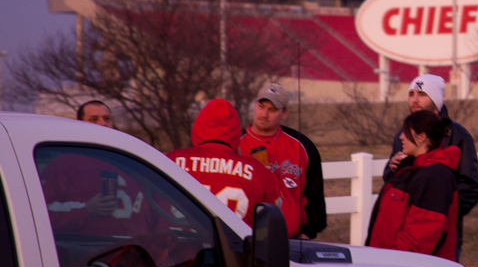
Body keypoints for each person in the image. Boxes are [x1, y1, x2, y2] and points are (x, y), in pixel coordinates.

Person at [382, 74, 478, 261]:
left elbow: (471, 186)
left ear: (436, 99)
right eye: (411, 93)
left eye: (422, 94)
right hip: (401, 232)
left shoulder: (458, 135)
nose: (415, 99)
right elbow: (393, 180)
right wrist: (391, 169)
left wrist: (443, 213)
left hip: (440, 236)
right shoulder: (401, 136)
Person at [169, 98, 299, 235]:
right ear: (235, 131)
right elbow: (272, 218)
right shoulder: (257, 171)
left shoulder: (171, 160)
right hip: (233, 252)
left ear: (198, 126)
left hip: (177, 248)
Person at [42, 99, 151, 235]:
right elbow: (42, 215)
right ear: (79, 124)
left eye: (107, 119)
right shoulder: (63, 165)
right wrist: (87, 210)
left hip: (131, 249)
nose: (102, 123)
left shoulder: (130, 160)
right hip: (86, 249)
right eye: (94, 119)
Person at [366, 111, 460, 261]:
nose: (401, 137)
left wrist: (391, 261)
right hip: (386, 261)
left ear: (422, 137)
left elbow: (420, 237)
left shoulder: (434, 177)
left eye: (405, 132)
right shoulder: (411, 168)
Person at [239, 83, 326, 239]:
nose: (264, 114)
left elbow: (315, 195)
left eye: (272, 110)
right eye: (261, 106)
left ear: (284, 113)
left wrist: (308, 232)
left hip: (291, 239)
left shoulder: (302, 145)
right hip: (244, 238)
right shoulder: (236, 143)